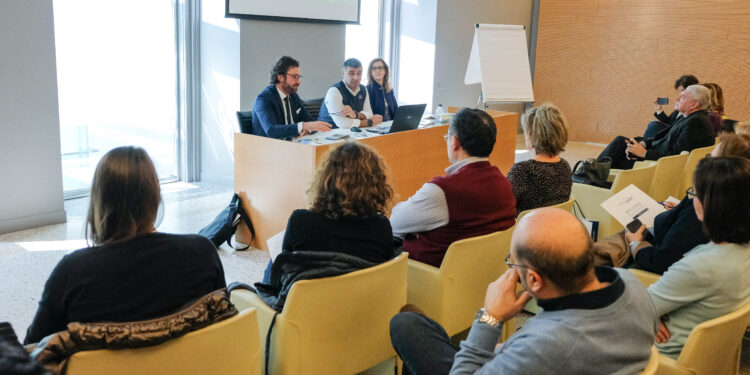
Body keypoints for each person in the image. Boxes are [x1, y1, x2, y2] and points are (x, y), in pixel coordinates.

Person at [389, 208, 659, 374]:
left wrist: (490, 318)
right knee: (417, 326)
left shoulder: (546, 346)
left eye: (512, 262)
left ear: (534, 279)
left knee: (406, 325)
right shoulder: (631, 283)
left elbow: (541, 350)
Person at [24, 146, 226, 344]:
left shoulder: (72, 273)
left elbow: (33, 351)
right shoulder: (202, 253)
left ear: (99, 201)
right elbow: (222, 326)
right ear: (156, 197)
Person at [595, 133, 750, 273]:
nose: (706, 161)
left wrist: (635, 243)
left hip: (648, 261)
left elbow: (659, 261)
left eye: (710, 157)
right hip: (664, 233)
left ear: (724, 171)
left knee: (612, 245)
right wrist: (680, 209)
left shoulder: (704, 211)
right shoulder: (735, 207)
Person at [648, 156, 750, 358]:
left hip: (659, 357)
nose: (691, 198)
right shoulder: (741, 251)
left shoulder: (700, 267)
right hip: (707, 355)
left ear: (709, 204)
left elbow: (635, 310)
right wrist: (648, 313)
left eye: (693, 192)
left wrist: (647, 314)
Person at [390, 108, 516, 267]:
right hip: (485, 273)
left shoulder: (443, 190)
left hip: (429, 278)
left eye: (447, 138)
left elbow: (394, 224)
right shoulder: (503, 183)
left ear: (454, 142)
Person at [261, 142, 394, 282]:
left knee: (275, 261)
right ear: (375, 184)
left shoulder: (301, 221)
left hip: (305, 302)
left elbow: (284, 271)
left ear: (325, 179)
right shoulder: (381, 227)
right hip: (361, 300)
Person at [598, 84, 715, 170]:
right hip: (657, 154)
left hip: (657, 166)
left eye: (683, 96)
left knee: (618, 149)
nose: (677, 99)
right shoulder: (689, 117)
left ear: (694, 104)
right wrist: (643, 144)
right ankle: (593, 171)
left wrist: (643, 153)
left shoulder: (696, 123)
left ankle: (591, 173)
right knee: (623, 142)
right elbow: (664, 137)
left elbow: (677, 159)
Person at [507, 103, 571, 213]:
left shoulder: (522, 170)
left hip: (528, 228)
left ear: (532, 136)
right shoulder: (565, 166)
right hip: (557, 226)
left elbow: (503, 205)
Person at [251, 56, 332, 139]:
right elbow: (272, 131)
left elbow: (310, 122)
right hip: (268, 147)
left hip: (293, 144)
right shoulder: (264, 99)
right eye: (294, 77)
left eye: (299, 77)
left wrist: (307, 129)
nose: (299, 82)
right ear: (280, 77)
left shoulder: (293, 96)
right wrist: (303, 126)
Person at [318, 58, 382, 129]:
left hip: (352, 133)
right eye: (351, 73)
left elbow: (369, 113)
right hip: (330, 133)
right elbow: (343, 124)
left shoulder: (363, 89)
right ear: (343, 73)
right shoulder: (334, 91)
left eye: (359, 73)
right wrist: (369, 122)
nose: (356, 77)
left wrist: (355, 115)